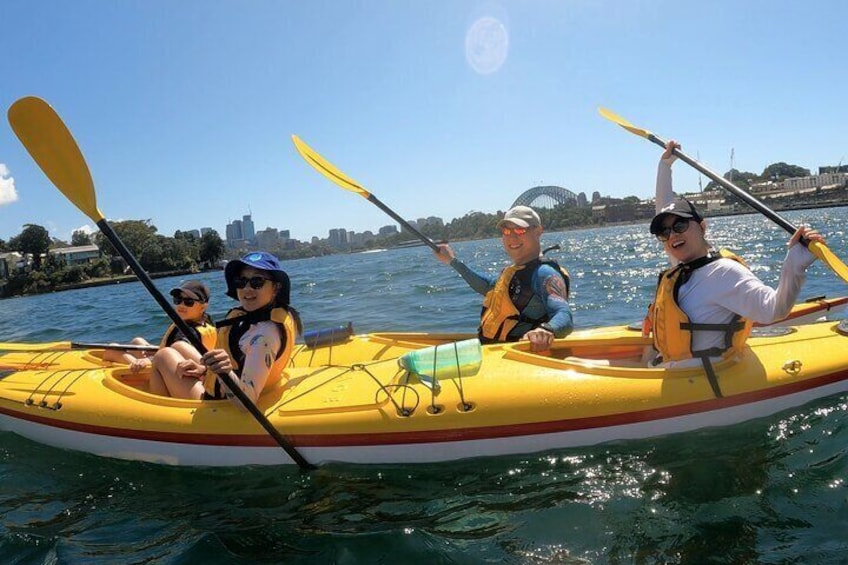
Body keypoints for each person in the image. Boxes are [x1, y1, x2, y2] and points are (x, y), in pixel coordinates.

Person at [647, 140, 826, 393]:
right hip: (676, 369)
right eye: (664, 232)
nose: (672, 235)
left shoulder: (723, 273)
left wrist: (795, 263)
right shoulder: (683, 265)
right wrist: (665, 165)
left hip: (703, 378)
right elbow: (662, 205)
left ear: (702, 226)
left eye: (680, 226)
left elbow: (773, 310)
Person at [434, 205, 573, 352]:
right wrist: (452, 261)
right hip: (493, 352)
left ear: (538, 231)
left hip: (520, 358)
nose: (512, 237)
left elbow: (564, 314)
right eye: (507, 231)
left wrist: (547, 330)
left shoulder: (544, 274)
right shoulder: (513, 271)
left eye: (520, 230)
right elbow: (487, 287)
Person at [176, 251, 302, 403]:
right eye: (241, 282)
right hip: (250, 386)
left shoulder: (264, 335)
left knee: (164, 357)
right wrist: (205, 370)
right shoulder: (264, 320)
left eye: (257, 282)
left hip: (224, 403)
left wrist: (225, 372)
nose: (247, 289)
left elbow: (246, 402)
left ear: (276, 287)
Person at [102, 280, 216, 380]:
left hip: (162, 371)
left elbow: (175, 352)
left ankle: (133, 365)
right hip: (172, 361)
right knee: (138, 342)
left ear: (203, 306)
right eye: (178, 300)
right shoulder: (205, 321)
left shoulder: (187, 332)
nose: (181, 305)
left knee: (111, 349)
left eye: (188, 302)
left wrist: (149, 360)